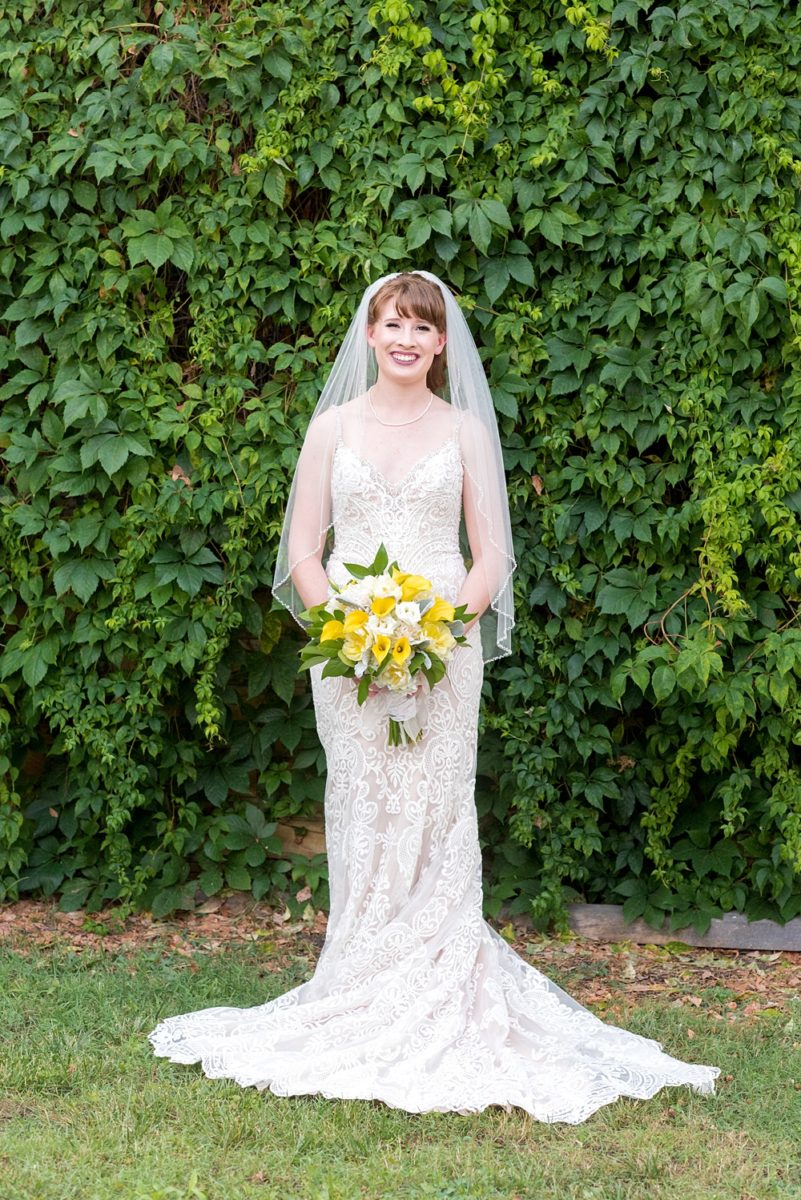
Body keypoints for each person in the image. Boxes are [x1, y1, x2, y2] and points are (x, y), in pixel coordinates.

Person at [149, 270, 720, 1122]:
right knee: (364, 800)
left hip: (444, 648)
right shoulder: (329, 429)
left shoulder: (464, 432)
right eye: (392, 323)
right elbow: (304, 551)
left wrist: (433, 628)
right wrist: (349, 629)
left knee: (433, 802)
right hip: (344, 652)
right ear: (369, 335)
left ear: (442, 342)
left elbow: (491, 555)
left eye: (423, 326)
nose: (407, 338)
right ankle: (359, 974)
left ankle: (437, 975)